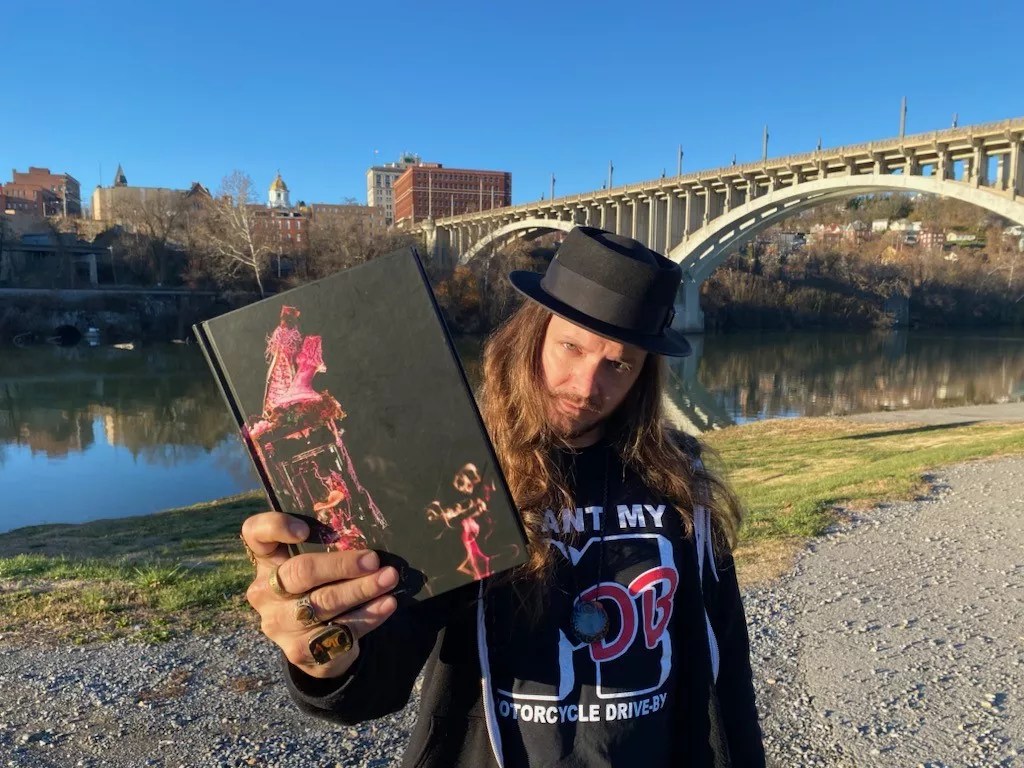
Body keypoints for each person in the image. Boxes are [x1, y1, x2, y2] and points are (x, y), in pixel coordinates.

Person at [241, 226, 766, 767]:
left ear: (643, 375)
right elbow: (374, 674)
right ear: (532, 335)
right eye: (571, 346)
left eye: (619, 363)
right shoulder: (461, 473)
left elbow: (725, 670)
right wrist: (323, 652)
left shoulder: (682, 483)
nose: (587, 386)